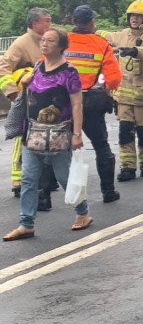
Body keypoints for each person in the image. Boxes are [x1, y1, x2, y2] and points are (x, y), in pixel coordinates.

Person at [3, 28, 92, 241]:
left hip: (59, 134)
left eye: (50, 41)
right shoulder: (37, 67)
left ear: (61, 46)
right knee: (28, 178)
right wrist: (24, 83)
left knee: (64, 176)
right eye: (43, 40)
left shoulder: (69, 71)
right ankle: (26, 223)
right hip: (32, 132)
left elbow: (77, 103)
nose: (44, 44)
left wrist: (77, 133)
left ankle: (83, 213)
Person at [61, 5, 123, 203]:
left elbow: (46, 68)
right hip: (91, 103)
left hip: (63, 102)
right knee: (101, 146)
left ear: (73, 21)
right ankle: (108, 192)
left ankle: (44, 197)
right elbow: (114, 79)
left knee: (56, 148)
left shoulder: (61, 42)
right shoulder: (101, 44)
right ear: (92, 22)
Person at [97, 0, 143, 181]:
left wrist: (135, 51)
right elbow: (106, 35)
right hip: (124, 97)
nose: (134, 19)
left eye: (138, 16)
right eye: (132, 15)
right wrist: (90, 32)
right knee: (125, 132)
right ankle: (128, 167)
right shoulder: (123, 34)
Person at [0, 8, 51, 198]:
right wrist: (13, 93)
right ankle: (18, 180)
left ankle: (45, 178)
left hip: (47, 100)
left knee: (47, 138)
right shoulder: (22, 43)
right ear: (34, 23)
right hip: (27, 98)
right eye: (46, 21)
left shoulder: (49, 41)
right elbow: (3, 68)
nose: (49, 25)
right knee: (22, 137)